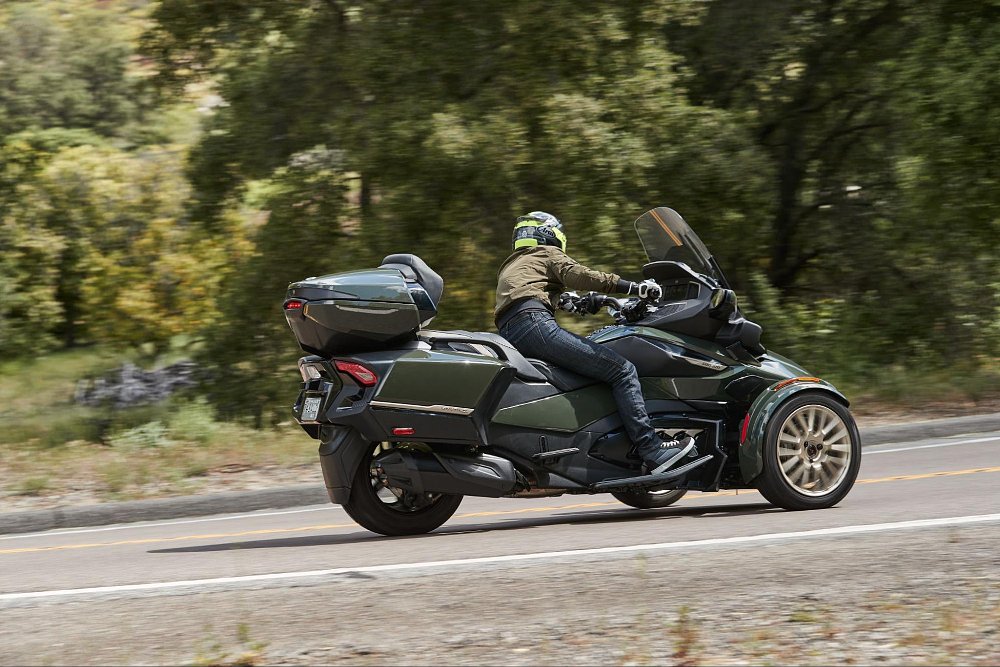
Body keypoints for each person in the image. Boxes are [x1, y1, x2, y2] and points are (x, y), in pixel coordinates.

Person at [494, 211, 696, 474]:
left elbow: (559, 297)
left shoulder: (515, 264)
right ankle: (652, 449)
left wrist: (585, 302)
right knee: (622, 371)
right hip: (534, 323)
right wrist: (634, 288)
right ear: (549, 233)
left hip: (514, 330)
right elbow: (578, 275)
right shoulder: (546, 253)